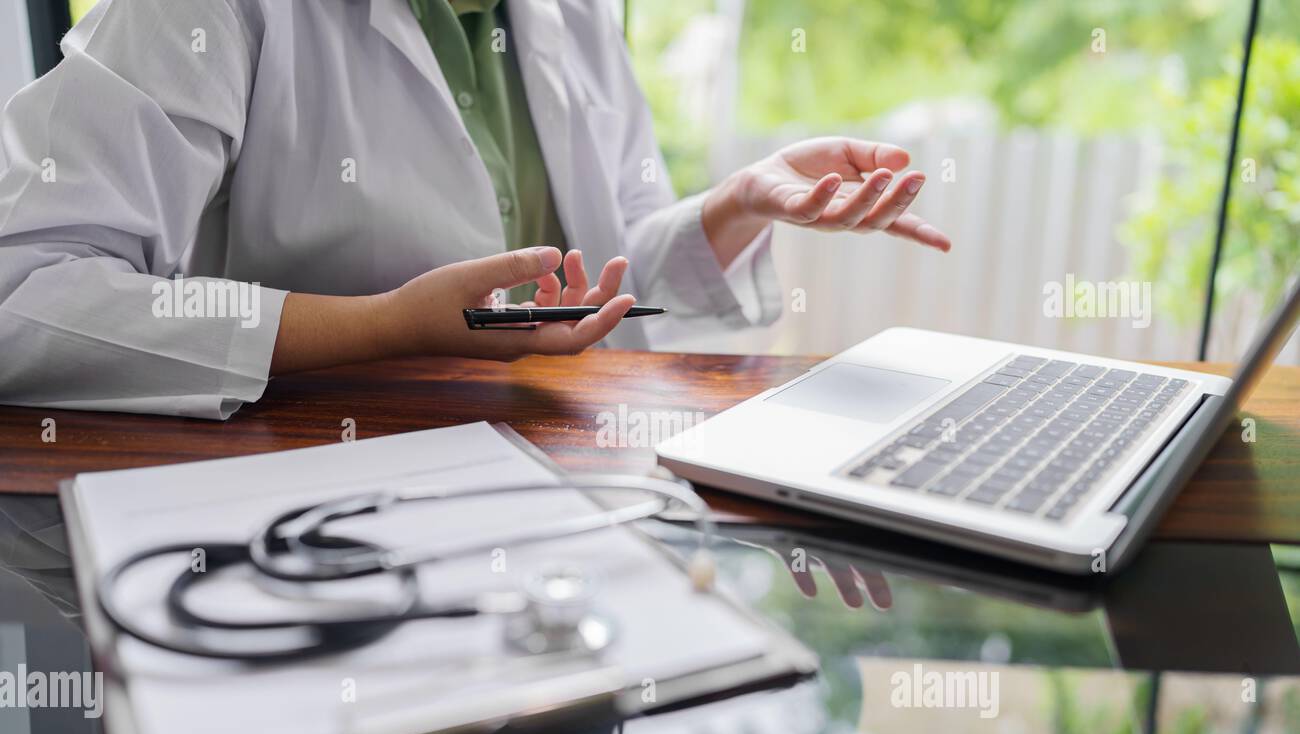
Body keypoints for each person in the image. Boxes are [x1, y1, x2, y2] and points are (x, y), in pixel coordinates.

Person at [0, 0, 950, 419]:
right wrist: (388, 328)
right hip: (300, 510)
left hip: (548, 486)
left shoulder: (570, 15)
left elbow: (601, 282)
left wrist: (739, 203)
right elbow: (26, 299)